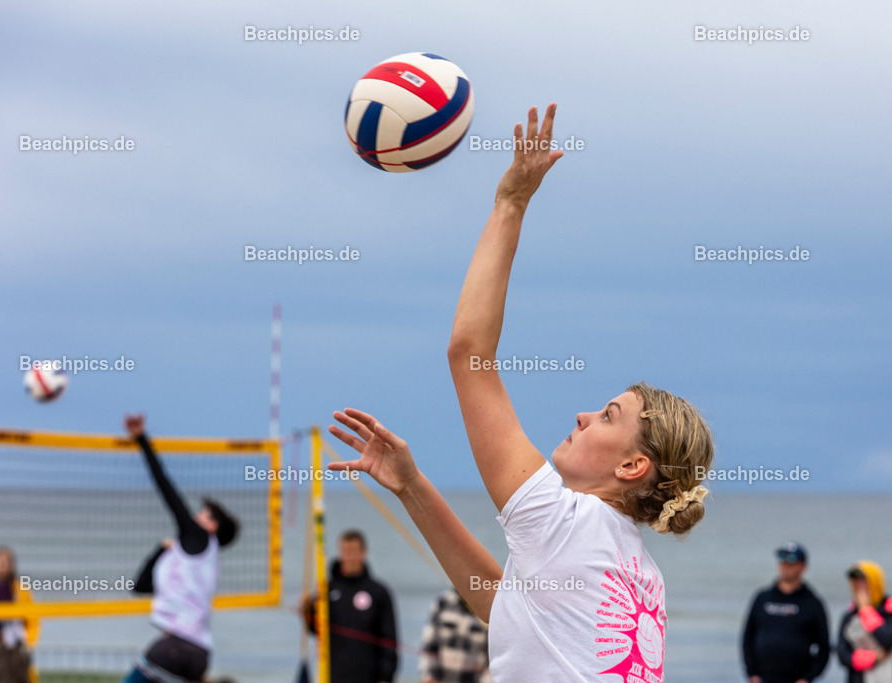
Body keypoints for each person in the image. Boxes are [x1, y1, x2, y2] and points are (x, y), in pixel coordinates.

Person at [326, 104, 715, 682]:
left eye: (608, 416)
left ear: (634, 464)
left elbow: (469, 355)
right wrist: (411, 489)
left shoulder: (566, 522)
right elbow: (504, 605)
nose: (583, 415)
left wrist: (511, 202)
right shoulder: (637, 571)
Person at [121, 414, 240, 683]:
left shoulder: (197, 537)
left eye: (204, 515)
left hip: (175, 648)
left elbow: (167, 488)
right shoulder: (196, 558)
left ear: (212, 527)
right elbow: (140, 587)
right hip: (199, 654)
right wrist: (159, 551)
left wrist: (142, 439)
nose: (197, 516)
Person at [301, 530, 398, 683]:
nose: (350, 557)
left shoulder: (378, 592)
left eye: (353, 551)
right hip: (334, 675)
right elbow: (317, 631)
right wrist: (307, 611)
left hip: (370, 676)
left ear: (364, 552)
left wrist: (386, 676)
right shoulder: (327, 590)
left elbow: (390, 639)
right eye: (345, 551)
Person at [741, 542, 830, 683]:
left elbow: (824, 647)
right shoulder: (762, 598)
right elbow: (747, 638)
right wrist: (751, 673)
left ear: (803, 567)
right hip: (763, 679)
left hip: (795, 678)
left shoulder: (812, 603)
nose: (786, 564)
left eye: (792, 560)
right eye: (782, 558)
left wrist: (808, 678)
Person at [838, 561, 892, 683]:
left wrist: (867, 612)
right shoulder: (849, 615)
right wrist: (872, 658)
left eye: (862, 581)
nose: (858, 586)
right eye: (855, 582)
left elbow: (891, 641)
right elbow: (843, 655)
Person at [419, 588, 490, 683]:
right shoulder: (443, 603)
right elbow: (430, 647)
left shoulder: (490, 606)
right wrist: (429, 677)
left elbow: (493, 658)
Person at [0, 546, 38, 683]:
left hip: (14, 648)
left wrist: (27, 642)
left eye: (6, 563)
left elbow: (32, 621)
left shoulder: (20, 591)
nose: (2, 567)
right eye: (0, 563)